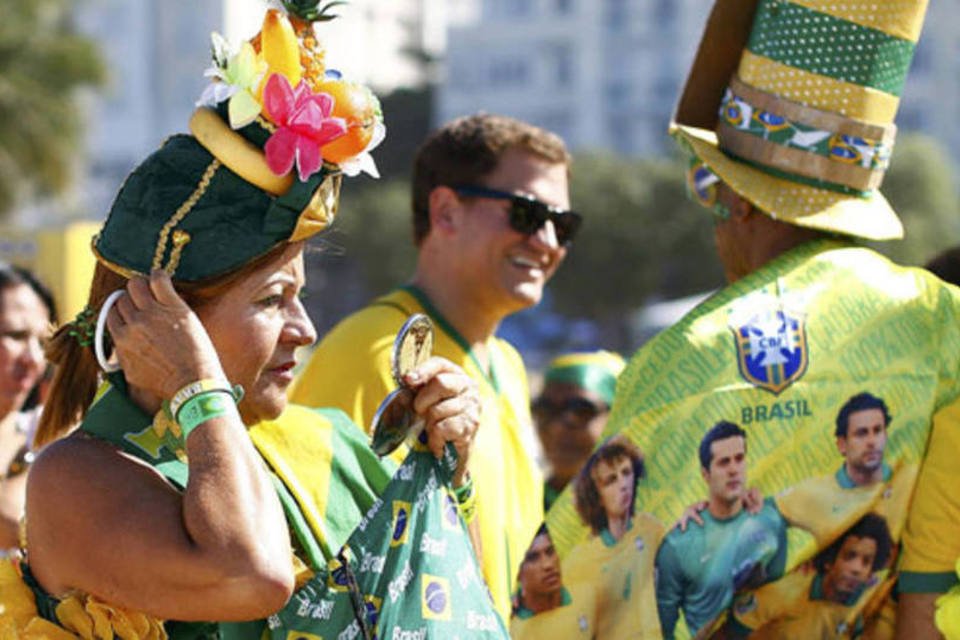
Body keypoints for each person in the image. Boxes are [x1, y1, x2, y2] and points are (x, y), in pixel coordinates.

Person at [0, 5, 503, 638]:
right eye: (272, 301)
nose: (305, 328)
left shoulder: (327, 442)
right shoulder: (77, 476)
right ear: (159, 318)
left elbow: (445, 607)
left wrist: (447, 474)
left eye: (300, 297)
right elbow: (251, 576)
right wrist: (198, 387)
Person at [539, 1, 958, 637]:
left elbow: (577, 599)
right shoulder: (941, 322)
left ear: (741, 202)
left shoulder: (691, 352)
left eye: (712, 190)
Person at [290, 112, 577, 619]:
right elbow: (317, 576)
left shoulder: (507, 364)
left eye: (564, 224)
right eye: (529, 215)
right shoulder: (373, 353)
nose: (549, 242)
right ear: (445, 211)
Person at [655, 421, 786, 638]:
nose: (734, 469)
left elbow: (778, 599)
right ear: (706, 474)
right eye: (724, 462)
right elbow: (662, 630)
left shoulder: (771, 520)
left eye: (739, 459)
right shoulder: (677, 544)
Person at [776, 392, 918, 548]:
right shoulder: (815, 492)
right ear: (842, 445)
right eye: (861, 433)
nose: (872, 442)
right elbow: (767, 511)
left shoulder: (911, 477)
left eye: (877, 431)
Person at [727, 513, 894, 639]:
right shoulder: (785, 591)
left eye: (866, 562)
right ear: (829, 560)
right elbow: (729, 632)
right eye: (849, 557)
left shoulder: (863, 604)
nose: (857, 569)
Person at [561, 434, 663, 639]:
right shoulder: (579, 561)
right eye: (611, 480)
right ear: (595, 495)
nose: (623, 484)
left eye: (626, 472)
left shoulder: (651, 528)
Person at [0, 264, 56, 551]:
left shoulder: (43, 428)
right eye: (15, 336)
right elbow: (9, 524)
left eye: (44, 342)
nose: (34, 358)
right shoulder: (57, 436)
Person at [533, 350, 625, 510]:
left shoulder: (653, 514)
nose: (557, 428)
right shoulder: (520, 512)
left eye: (580, 411)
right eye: (544, 410)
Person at [510, 524, 596, 639]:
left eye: (550, 552)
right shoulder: (512, 631)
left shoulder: (588, 596)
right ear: (518, 573)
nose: (548, 565)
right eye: (533, 558)